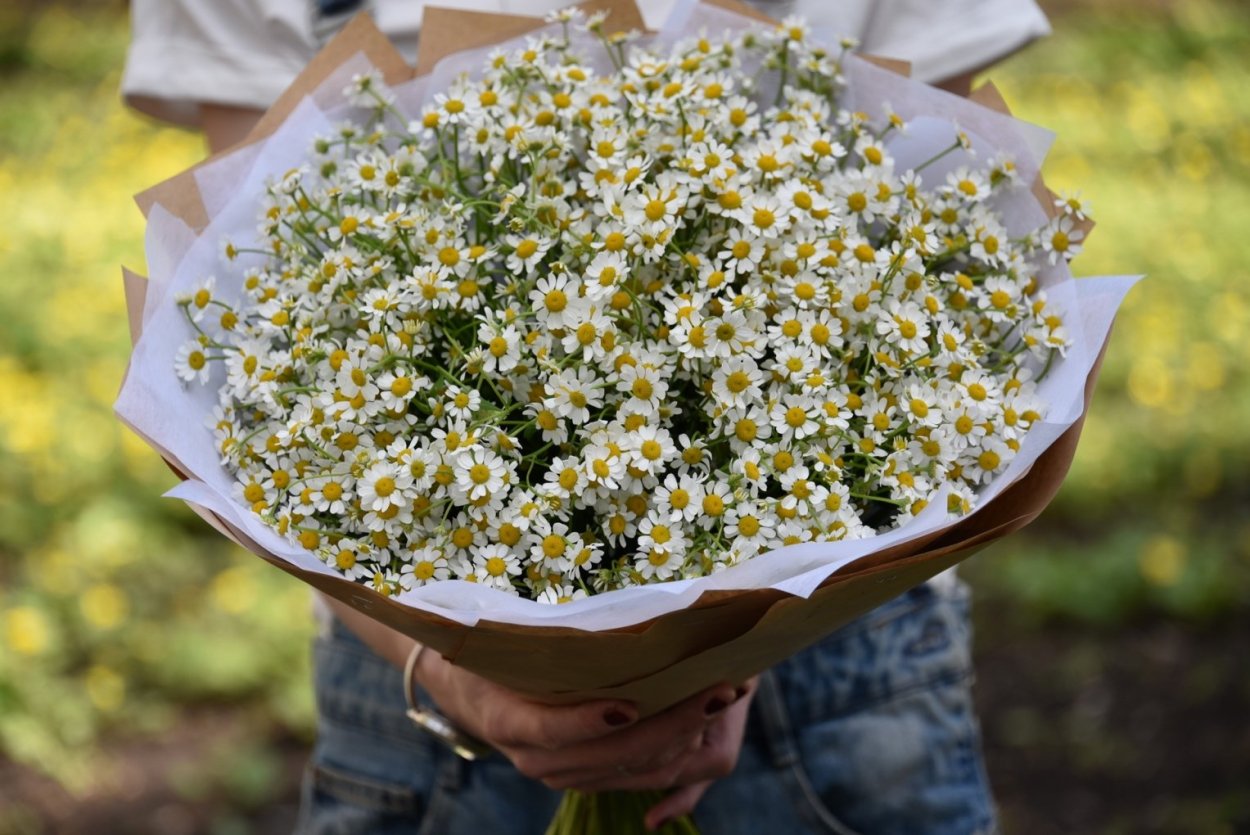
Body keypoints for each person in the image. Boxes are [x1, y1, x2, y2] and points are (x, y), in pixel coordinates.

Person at [123, 1, 1050, 832]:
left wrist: (716, 656)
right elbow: (245, 255)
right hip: (420, 677)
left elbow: (944, 202)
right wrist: (448, 675)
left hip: (847, 668)